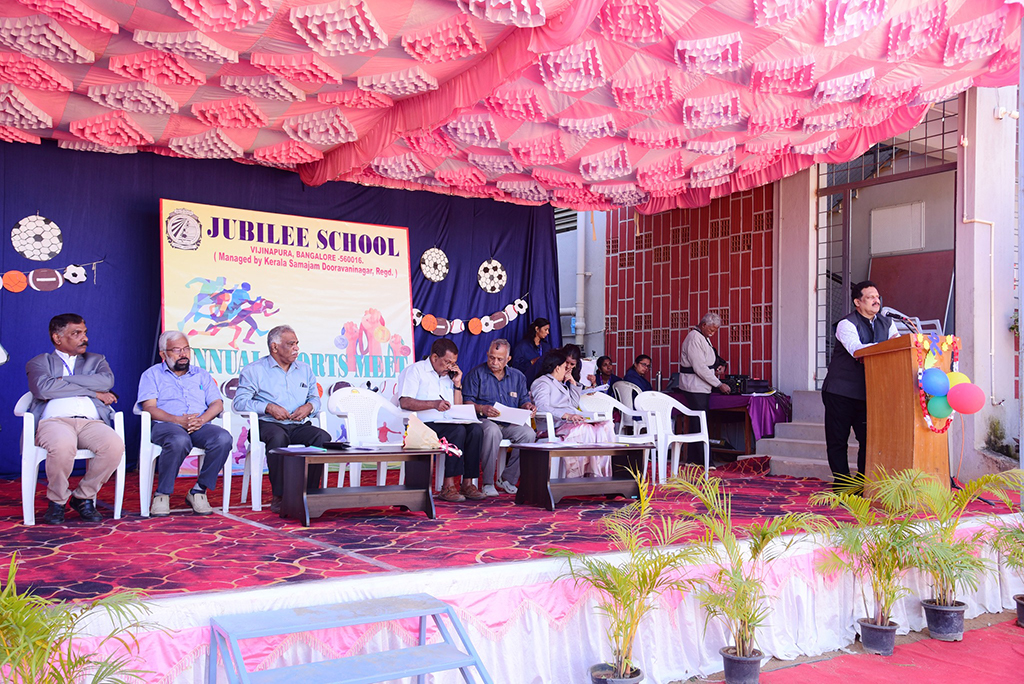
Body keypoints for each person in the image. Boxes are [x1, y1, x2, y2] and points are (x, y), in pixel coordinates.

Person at [25, 313, 124, 524]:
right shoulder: (40, 362)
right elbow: (43, 389)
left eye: (84, 332)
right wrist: (93, 392)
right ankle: (57, 500)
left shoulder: (97, 360)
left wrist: (63, 381)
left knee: (114, 446)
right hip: (55, 421)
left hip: (91, 422)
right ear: (57, 338)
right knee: (62, 446)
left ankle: (83, 496)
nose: (84, 338)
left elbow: (106, 382)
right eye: (76, 333)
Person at [234, 325, 330, 513]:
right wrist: (268, 407)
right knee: (278, 437)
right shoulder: (254, 370)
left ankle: (309, 493)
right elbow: (239, 402)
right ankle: (280, 495)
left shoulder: (304, 369)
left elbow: (314, 398)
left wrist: (309, 407)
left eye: (297, 343)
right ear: (274, 347)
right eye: (291, 344)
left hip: (297, 425)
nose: (296, 348)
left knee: (322, 438)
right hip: (267, 425)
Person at [137, 330, 232, 516]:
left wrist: (202, 420)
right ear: (163, 354)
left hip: (199, 425)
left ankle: (198, 490)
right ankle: (162, 494)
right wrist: (177, 420)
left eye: (186, 349)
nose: (183, 354)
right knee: (179, 440)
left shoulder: (201, 374)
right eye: (176, 350)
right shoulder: (152, 375)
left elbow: (217, 404)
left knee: (223, 438)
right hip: (166, 425)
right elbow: (149, 407)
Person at [821, 280, 899, 486]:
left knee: (868, 440)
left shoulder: (887, 323)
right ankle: (842, 485)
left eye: (877, 297)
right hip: (840, 391)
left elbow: (898, 347)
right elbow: (857, 350)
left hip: (869, 392)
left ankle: (862, 485)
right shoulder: (846, 324)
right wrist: (886, 346)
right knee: (838, 440)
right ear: (857, 302)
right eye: (870, 297)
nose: (876, 300)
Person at [394, 338, 487, 502]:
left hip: (447, 422)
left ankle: (468, 483)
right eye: (447, 362)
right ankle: (448, 486)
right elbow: (405, 402)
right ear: (435, 357)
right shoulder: (415, 371)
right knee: (457, 431)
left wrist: (457, 384)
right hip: (422, 425)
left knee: (475, 430)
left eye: (454, 363)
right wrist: (434, 404)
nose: (450, 367)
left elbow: (457, 408)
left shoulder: (448, 377)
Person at [461, 339, 537, 495]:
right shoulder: (476, 374)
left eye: (499, 359)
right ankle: (488, 482)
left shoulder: (518, 377)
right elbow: (466, 402)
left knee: (529, 434)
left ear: (508, 359)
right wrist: (482, 408)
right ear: (487, 354)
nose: (494, 362)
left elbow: (524, 400)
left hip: (509, 423)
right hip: (484, 421)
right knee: (492, 431)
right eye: (491, 357)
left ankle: (508, 479)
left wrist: (528, 407)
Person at [530, 349, 613, 478]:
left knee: (604, 427)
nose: (567, 370)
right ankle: (582, 474)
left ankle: (600, 472)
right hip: (554, 425)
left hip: (568, 423)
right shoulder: (542, 382)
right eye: (565, 367)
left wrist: (573, 383)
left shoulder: (560, 383)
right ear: (557, 368)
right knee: (585, 430)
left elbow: (573, 405)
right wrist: (566, 416)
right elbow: (541, 407)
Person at [679, 313, 732, 465]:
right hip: (694, 386)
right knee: (699, 423)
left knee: (698, 422)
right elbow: (699, 368)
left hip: (703, 386)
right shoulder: (694, 338)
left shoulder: (703, 337)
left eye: (715, 331)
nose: (712, 333)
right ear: (703, 325)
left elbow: (707, 362)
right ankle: (703, 460)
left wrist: (716, 369)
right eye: (711, 330)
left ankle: (694, 459)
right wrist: (719, 384)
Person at [511, 317, 553, 384]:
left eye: (548, 330)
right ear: (537, 329)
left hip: (544, 382)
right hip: (527, 382)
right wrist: (532, 362)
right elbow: (515, 367)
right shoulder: (522, 346)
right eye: (545, 330)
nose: (547, 332)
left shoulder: (546, 346)